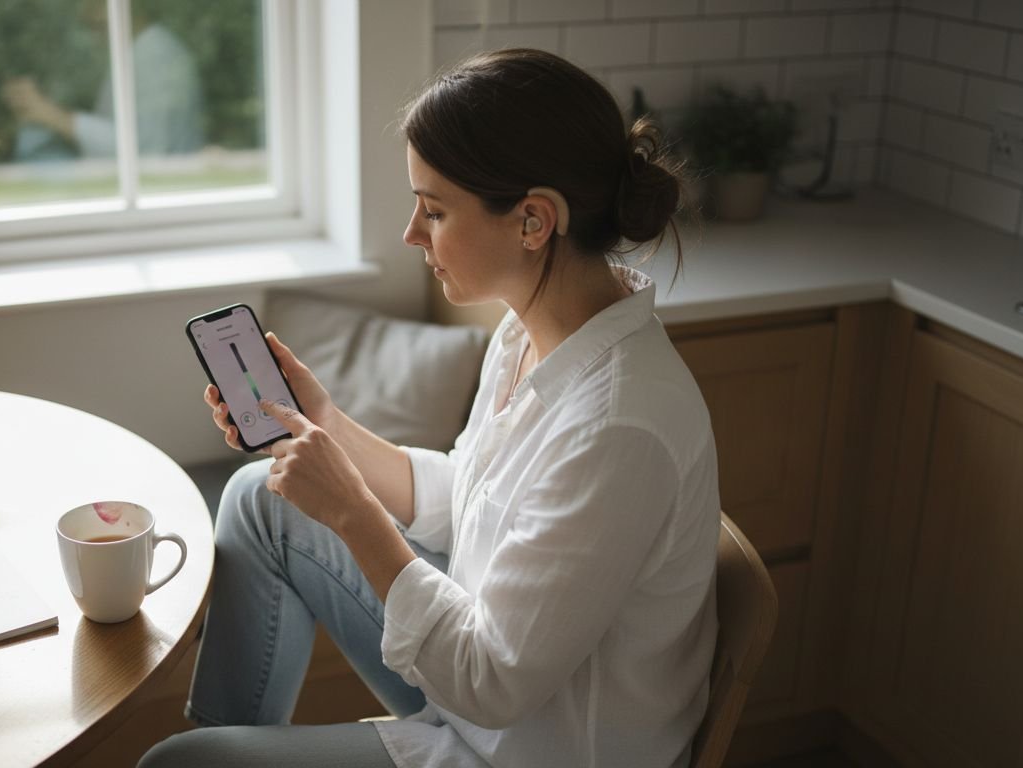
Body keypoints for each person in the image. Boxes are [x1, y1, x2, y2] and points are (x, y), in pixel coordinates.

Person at [140, 48, 720, 768]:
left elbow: (492, 682)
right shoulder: (529, 330)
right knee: (262, 497)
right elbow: (468, 498)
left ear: (534, 221)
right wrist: (328, 425)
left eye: (435, 210)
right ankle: (222, 740)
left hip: (526, 746)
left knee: (173, 766)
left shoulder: (618, 427)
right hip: (483, 683)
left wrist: (352, 511)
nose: (413, 233)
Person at [1, 3, 202, 160]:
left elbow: (142, 152)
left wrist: (53, 116)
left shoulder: (157, 58)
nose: (84, 15)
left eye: (93, 2)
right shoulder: (133, 50)